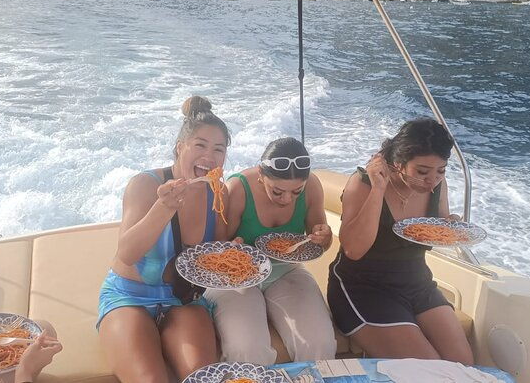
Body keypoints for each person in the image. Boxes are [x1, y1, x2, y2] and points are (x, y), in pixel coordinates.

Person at [97, 96, 230, 382]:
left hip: (184, 300)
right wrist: (163, 208)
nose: (210, 156)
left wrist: (234, 253)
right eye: (200, 145)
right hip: (129, 297)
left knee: (203, 378)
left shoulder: (219, 194)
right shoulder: (145, 185)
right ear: (180, 147)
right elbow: (127, 253)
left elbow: (217, 255)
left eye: (219, 149)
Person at [327, 118, 474, 364]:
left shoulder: (436, 185)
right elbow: (354, 250)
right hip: (364, 287)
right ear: (398, 163)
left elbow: (439, 224)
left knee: (463, 363)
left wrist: (451, 224)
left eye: (441, 170)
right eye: (422, 172)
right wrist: (378, 189)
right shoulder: (363, 183)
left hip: (417, 282)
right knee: (428, 369)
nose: (432, 181)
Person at [205, 137, 337, 365]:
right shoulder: (238, 189)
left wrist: (323, 237)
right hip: (237, 277)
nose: (287, 199)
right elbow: (216, 248)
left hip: (286, 271)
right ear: (260, 174)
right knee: (247, 349)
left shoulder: (312, 186)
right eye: (277, 191)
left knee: (320, 343)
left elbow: (320, 244)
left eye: (297, 192)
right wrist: (231, 251)